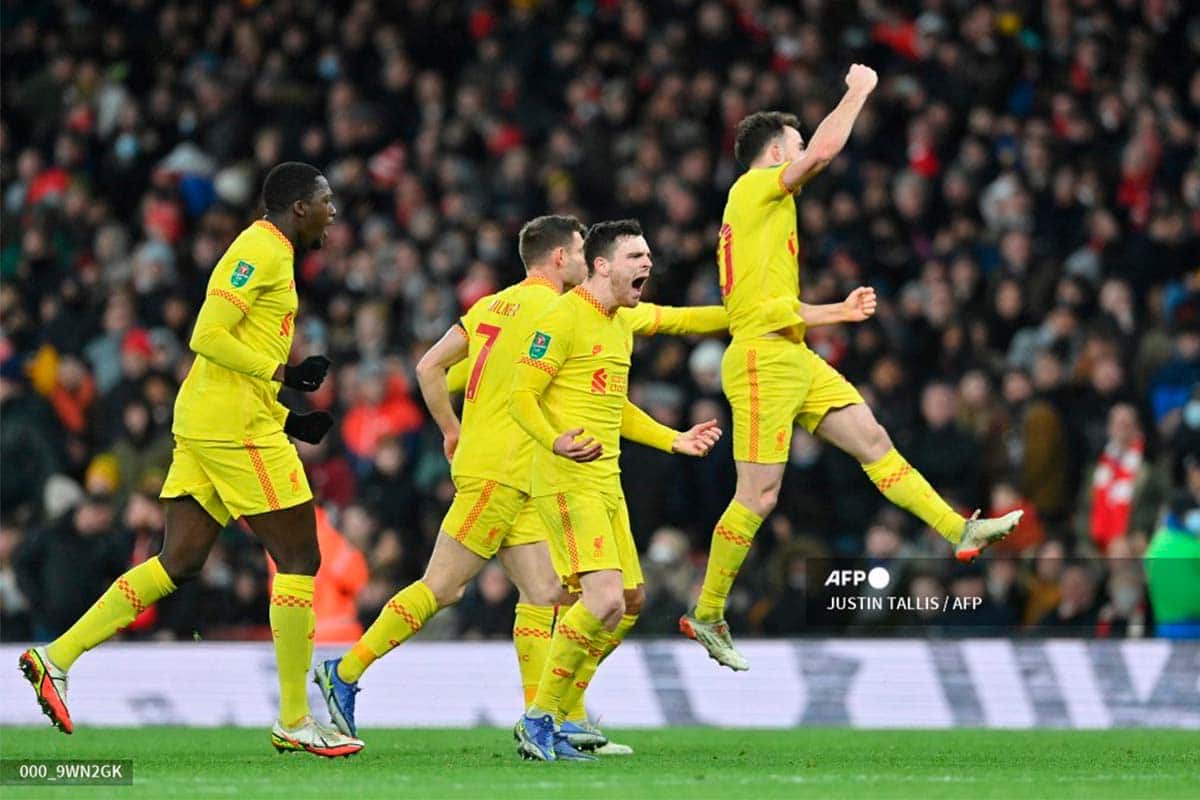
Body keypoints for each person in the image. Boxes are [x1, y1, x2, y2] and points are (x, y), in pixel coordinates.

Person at [314, 215, 728, 757]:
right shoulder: (555, 312)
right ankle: (343, 671)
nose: (586, 262)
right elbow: (501, 382)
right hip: (503, 469)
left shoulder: (493, 306)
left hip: (517, 472)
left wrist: (453, 427)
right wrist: (460, 431)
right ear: (561, 259)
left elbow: (437, 369)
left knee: (548, 595)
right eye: (581, 252)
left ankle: (547, 718)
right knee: (443, 587)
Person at [680, 67, 1023, 672]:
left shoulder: (763, 209)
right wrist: (860, 90)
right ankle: (707, 611)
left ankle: (957, 532)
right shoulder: (754, 187)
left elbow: (768, 302)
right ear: (779, 149)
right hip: (762, 358)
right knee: (758, 496)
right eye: (798, 138)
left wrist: (826, 314)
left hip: (790, 351)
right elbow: (824, 154)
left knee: (873, 441)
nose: (806, 146)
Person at [18, 162, 363, 757]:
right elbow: (206, 334)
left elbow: (229, 358)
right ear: (297, 206)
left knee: (178, 561)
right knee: (301, 556)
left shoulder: (269, 251)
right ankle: (293, 717)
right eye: (326, 201)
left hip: (218, 419)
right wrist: (283, 373)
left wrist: (289, 416)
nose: (334, 211)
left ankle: (56, 656)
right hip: (232, 428)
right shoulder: (264, 248)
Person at [509, 219, 722, 762]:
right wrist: (555, 441)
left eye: (648, 255)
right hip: (565, 479)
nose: (647, 264)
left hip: (606, 482)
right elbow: (520, 395)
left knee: (628, 603)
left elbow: (614, 407)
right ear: (601, 265)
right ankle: (540, 717)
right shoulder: (561, 317)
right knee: (600, 598)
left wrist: (673, 440)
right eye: (636, 256)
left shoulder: (619, 324)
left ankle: (562, 714)